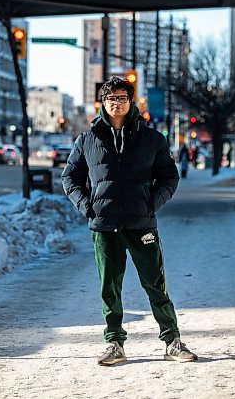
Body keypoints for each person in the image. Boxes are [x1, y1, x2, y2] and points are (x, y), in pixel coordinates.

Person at [61, 76, 197, 366]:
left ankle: (172, 341)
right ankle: (114, 344)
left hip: (141, 224)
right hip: (104, 226)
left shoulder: (152, 139)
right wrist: (87, 206)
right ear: (103, 102)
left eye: (122, 98)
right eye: (111, 99)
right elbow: (70, 177)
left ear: (130, 101)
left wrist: (152, 203)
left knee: (155, 284)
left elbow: (169, 177)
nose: (116, 103)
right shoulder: (87, 140)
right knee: (109, 287)